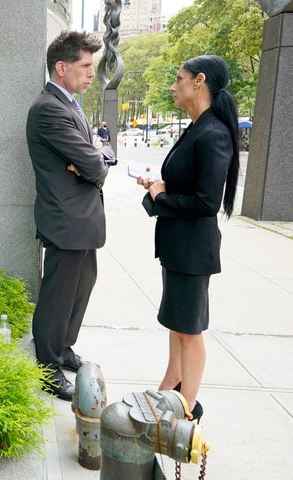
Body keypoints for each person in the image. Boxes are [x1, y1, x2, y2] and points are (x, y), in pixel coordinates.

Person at [136, 55, 240, 422]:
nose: (172, 86)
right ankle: (172, 382)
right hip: (179, 247)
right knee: (178, 322)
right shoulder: (197, 127)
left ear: (199, 81)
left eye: (178, 79)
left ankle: (186, 408)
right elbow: (185, 185)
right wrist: (157, 188)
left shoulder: (213, 133)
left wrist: (161, 197)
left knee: (190, 329)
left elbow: (207, 202)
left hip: (194, 249)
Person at [26, 31, 109, 400]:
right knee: (59, 295)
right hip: (66, 220)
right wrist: (91, 159)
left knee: (82, 286)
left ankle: (62, 348)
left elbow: (94, 157)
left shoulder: (69, 104)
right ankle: (47, 365)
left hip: (81, 219)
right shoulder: (49, 109)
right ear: (62, 67)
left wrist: (91, 158)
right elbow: (95, 162)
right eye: (85, 65)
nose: (92, 73)